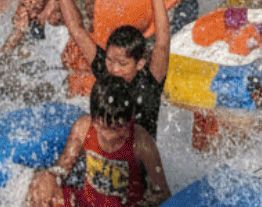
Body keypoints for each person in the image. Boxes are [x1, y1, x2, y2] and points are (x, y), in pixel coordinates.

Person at [54, 0, 169, 138]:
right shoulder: (106, 72)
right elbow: (77, 30)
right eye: (109, 60)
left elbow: (161, 44)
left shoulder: (149, 83)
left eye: (122, 64)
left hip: (139, 154)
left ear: (139, 64)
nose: (114, 69)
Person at [27, 76, 170, 207]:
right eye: (106, 128)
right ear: (94, 120)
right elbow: (63, 167)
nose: (111, 136)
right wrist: (50, 177)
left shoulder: (141, 141)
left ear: (131, 118)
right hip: (86, 202)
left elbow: (163, 193)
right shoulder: (83, 128)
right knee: (42, 192)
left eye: (121, 128)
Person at [2, 0, 66, 56]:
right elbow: (13, 39)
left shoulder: (55, 11)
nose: (28, 6)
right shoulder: (24, 3)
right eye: (24, 1)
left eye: (32, 1)